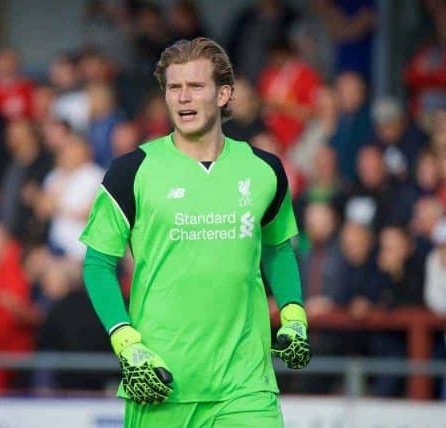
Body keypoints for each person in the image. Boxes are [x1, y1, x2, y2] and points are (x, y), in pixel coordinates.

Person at [81, 37, 310, 428]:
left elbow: (277, 249)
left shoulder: (265, 169)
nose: (183, 98)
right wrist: (126, 343)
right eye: (174, 87)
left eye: (195, 86)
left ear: (223, 94)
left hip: (246, 385)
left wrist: (293, 313)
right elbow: (98, 263)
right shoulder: (131, 171)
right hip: (161, 381)